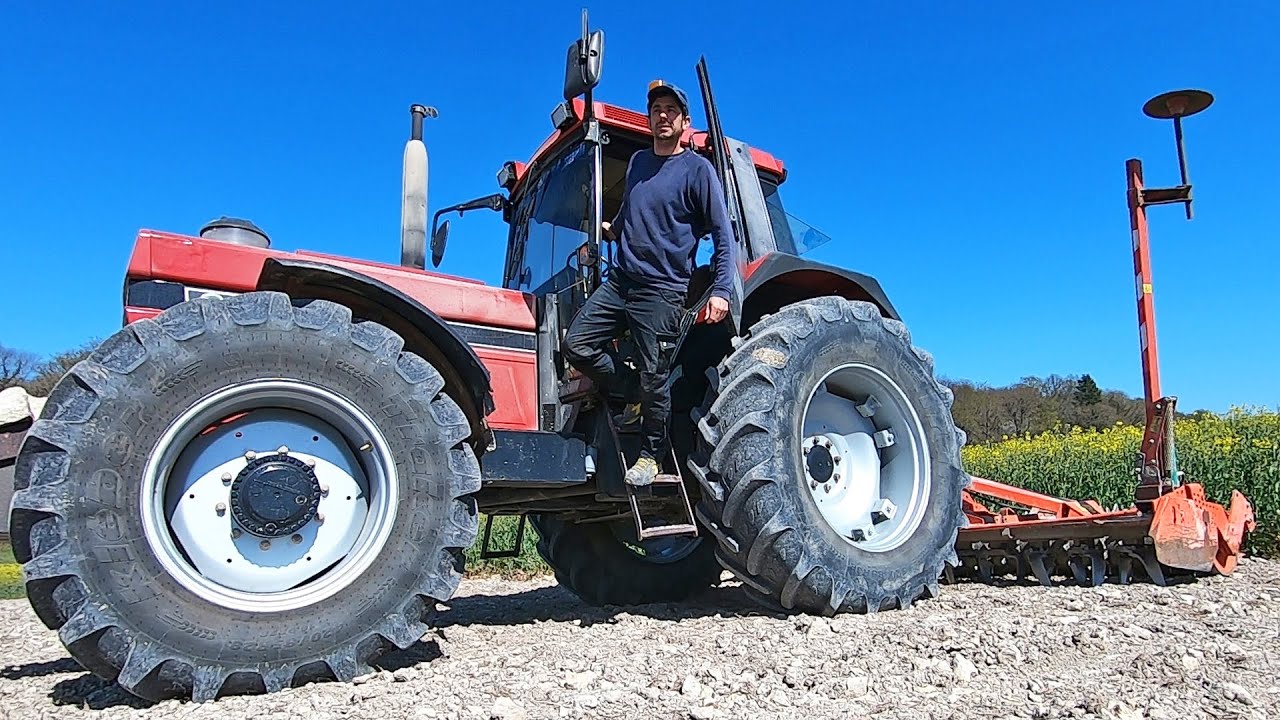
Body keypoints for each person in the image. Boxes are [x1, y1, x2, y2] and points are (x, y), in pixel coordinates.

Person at [562, 80, 736, 487]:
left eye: (670, 110)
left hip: (662, 292)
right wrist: (609, 232)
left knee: (655, 375)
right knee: (577, 344)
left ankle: (650, 455)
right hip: (621, 281)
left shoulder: (697, 170)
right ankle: (632, 390)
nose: (662, 115)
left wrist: (722, 290)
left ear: (685, 122)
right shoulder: (640, 162)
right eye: (656, 109)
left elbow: (722, 234)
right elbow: (630, 213)